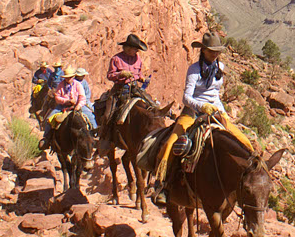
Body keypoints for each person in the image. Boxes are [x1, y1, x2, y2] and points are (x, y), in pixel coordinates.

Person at [153, 32, 254, 205]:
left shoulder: (220, 67)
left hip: (215, 112)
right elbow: (186, 97)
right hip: (193, 112)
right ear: (203, 51)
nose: (214, 54)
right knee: (173, 143)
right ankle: (163, 185)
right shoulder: (194, 69)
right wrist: (201, 107)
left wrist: (221, 112)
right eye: (210, 51)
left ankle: (244, 182)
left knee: (243, 141)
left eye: (216, 51)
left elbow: (216, 94)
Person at [100, 34, 149, 151]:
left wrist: (142, 78)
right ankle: (105, 139)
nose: (137, 51)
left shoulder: (138, 59)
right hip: (119, 89)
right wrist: (120, 74)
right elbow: (110, 75)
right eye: (135, 48)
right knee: (108, 115)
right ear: (128, 48)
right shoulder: (116, 59)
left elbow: (139, 73)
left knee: (152, 106)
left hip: (134, 89)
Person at [39, 67, 89, 150]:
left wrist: (78, 106)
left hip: (76, 106)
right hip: (62, 107)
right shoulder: (61, 85)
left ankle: (90, 137)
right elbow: (57, 98)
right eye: (66, 78)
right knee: (49, 119)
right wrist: (66, 101)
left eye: (69, 77)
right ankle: (46, 139)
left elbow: (82, 98)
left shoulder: (78, 85)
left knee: (89, 117)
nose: (68, 79)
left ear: (73, 77)